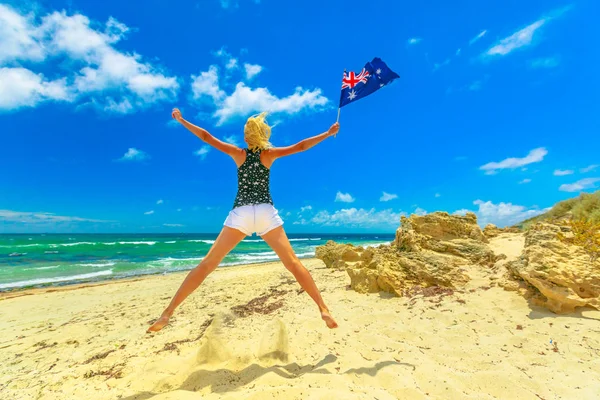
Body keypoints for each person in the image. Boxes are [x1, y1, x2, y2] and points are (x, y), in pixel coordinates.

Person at [147, 108, 340, 332]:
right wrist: (327, 133)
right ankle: (323, 308)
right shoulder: (269, 155)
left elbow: (206, 137)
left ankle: (167, 313)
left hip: (242, 213)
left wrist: (182, 120)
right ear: (263, 135)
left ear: (247, 136)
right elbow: (301, 146)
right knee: (293, 264)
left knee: (207, 264)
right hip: (266, 213)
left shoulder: (238, 154)